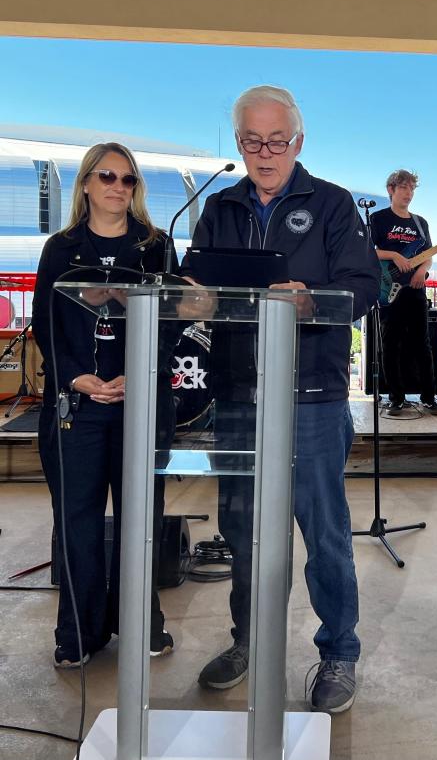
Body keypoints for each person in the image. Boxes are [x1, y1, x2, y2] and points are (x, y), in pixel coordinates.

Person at [182, 85, 380, 714]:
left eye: (277, 140)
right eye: (251, 141)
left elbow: (365, 287)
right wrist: (192, 296)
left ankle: (338, 653)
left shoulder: (333, 204)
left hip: (313, 395)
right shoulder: (221, 205)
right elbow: (196, 279)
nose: (264, 153)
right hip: (240, 394)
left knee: (324, 533)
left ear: (299, 141)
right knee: (242, 531)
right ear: (237, 142)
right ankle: (251, 640)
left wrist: (310, 297)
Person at [32, 142, 176, 668]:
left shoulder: (157, 246)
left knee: (143, 519)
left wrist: (138, 374)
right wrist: (78, 377)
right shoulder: (60, 249)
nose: (118, 187)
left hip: (141, 402)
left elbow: (175, 320)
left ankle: (143, 624)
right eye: (108, 176)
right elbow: (46, 322)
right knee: (78, 523)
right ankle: (78, 634)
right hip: (78, 405)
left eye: (129, 180)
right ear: (87, 184)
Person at [370, 170, 437, 416]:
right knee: (391, 344)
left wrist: (421, 271)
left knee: (422, 343)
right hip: (388, 288)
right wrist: (394, 255)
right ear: (391, 189)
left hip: (414, 290)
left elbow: (429, 255)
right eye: (403, 188)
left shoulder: (420, 223)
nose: (408, 193)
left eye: (412, 188)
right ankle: (396, 398)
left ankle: (429, 397)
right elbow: (366, 251)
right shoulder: (379, 219)